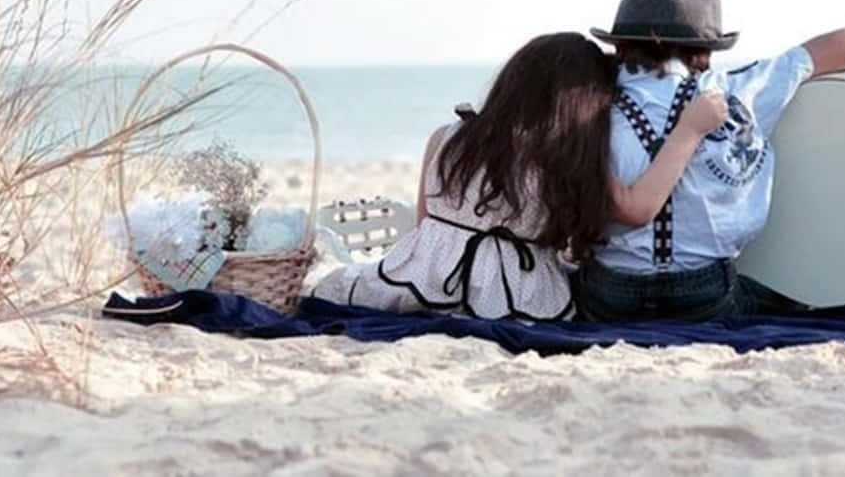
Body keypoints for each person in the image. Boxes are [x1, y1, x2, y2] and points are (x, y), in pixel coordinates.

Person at [311, 32, 727, 319]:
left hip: (426, 278)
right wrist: (688, 131)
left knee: (333, 284)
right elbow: (638, 208)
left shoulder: (447, 136)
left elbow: (425, 225)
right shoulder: (563, 158)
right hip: (518, 295)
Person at [573, 0, 845, 321]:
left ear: (619, 43)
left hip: (609, 293)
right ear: (707, 49)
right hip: (703, 293)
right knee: (784, 303)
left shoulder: (586, 100)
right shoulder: (736, 90)